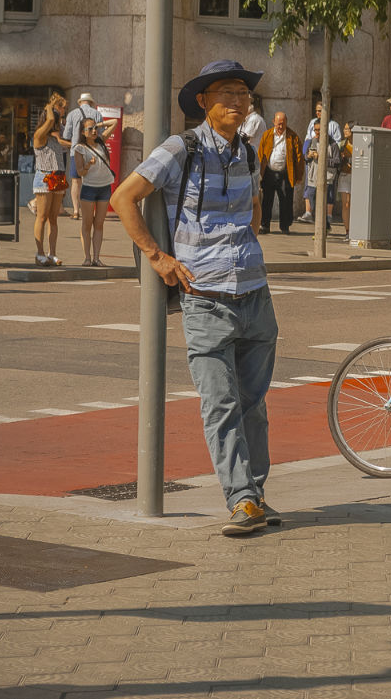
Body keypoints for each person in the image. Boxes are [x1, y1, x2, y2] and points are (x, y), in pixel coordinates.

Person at [109, 59, 279, 536]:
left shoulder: (248, 151)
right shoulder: (179, 148)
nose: (238, 103)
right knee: (220, 404)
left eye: (244, 95)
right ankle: (241, 499)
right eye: (228, 94)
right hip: (204, 296)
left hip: (255, 293)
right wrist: (157, 257)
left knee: (254, 406)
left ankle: (256, 495)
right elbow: (124, 197)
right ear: (204, 102)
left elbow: (254, 207)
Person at [71, 116, 117, 267]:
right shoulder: (80, 148)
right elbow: (80, 172)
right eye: (90, 129)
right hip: (89, 188)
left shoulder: (101, 141)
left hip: (105, 187)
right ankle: (87, 258)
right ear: (83, 132)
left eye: (95, 128)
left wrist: (99, 123)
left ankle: (97, 258)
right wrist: (88, 165)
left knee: (99, 224)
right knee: (87, 224)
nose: (94, 131)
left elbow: (115, 123)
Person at [32, 92, 71, 267]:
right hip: (45, 175)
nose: (57, 123)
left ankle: (52, 253)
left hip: (58, 175)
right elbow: (48, 121)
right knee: (42, 216)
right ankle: (39, 253)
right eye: (56, 120)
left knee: (54, 218)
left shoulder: (55, 136)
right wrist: (50, 107)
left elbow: (63, 137)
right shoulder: (40, 135)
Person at [257, 112, 305, 235]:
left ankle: (285, 227)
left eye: (283, 124)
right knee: (267, 200)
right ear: (274, 122)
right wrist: (259, 173)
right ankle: (264, 225)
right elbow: (260, 154)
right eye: (278, 124)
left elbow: (299, 158)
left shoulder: (292, 137)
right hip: (269, 172)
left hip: (285, 173)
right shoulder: (267, 135)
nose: (280, 126)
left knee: (286, 200)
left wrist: (299, 176)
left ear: (286, 123)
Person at [63, 93, 100, 220]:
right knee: (92, 182)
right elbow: (99, 135)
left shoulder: (72, 114)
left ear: (80, 103)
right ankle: (90, 212)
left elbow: (66, 135)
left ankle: (75, 211)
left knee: (76, 182)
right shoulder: (97, 114)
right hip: (92, 151)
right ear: (91, 102)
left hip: (76, 151)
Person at [338, 121, 354, 236]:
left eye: (347, 129)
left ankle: (354, 229)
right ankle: (347, 231)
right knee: (346, 203)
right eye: (344, 129)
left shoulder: (360, 144)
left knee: (352, 203)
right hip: (344, 175)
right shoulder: (342, 144)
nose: (345, 131)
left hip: (356, 176)